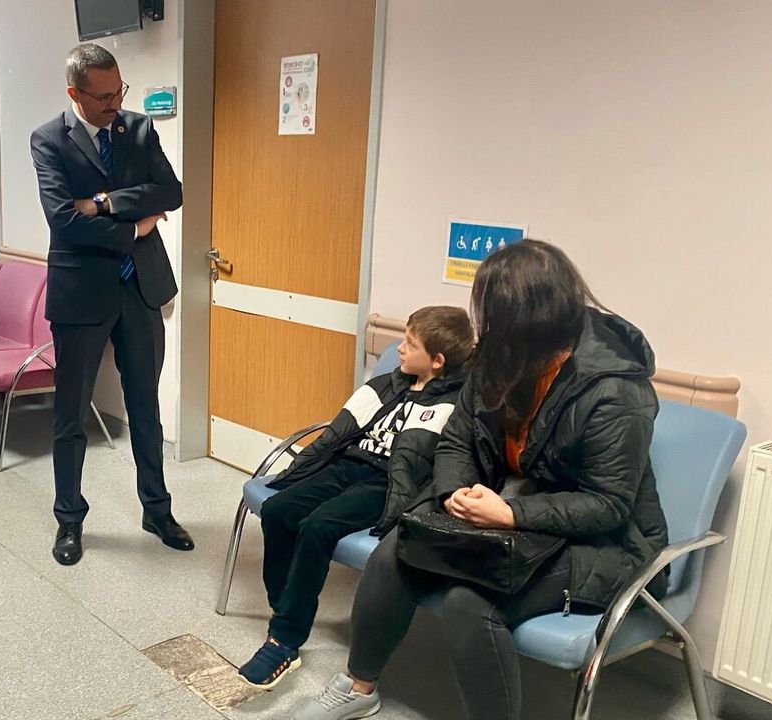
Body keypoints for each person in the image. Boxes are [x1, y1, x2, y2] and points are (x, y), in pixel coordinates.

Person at [293, 240, 669, 720]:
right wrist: (455, 492)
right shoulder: (501, 356)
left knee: (470, 601)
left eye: (496, 313)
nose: (487, 326)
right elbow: (457, 439)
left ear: (532, 318)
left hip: (605, 541)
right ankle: (359, 687)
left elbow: (609, 504)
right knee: (396, 551)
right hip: (509, 511)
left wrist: (511, 513)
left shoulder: (614, 389)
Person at [236, 306, 473, 689]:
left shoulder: (455, 403)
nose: (399, 349)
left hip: (385, 482)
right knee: (278, 510)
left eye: (410, 344)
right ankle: (286, 608)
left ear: (437, 360)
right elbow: (341, 431)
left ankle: (284, 640)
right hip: (348, 464)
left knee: (318, 527)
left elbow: (439, 462)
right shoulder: (389, 384)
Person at [30, 43, 187, 566]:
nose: (114, 103)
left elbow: (171, 192)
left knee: (146, 407)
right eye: (102, 97)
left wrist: (103, 203)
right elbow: (62, 219)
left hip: (140, 287)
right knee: (71, 413)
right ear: (74, 92)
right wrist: (134, 228)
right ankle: (69, 519)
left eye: (119, 91)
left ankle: (157, 510)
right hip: (80, 292)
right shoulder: (49, 139)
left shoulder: (138, 128)